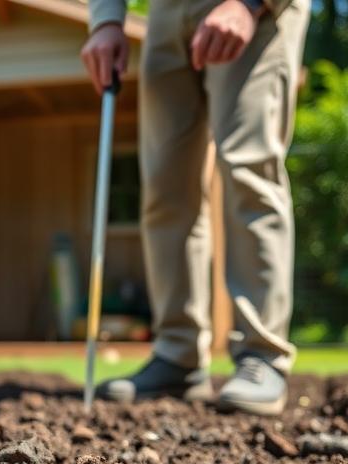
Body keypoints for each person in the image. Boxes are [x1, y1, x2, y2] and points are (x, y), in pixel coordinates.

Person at [81, 0, 310, 416]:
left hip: (257, 13)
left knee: (247, 170)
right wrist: (106, 20)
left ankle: (262, 355)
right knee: (165, 186)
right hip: (166, 12)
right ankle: (178, 356)